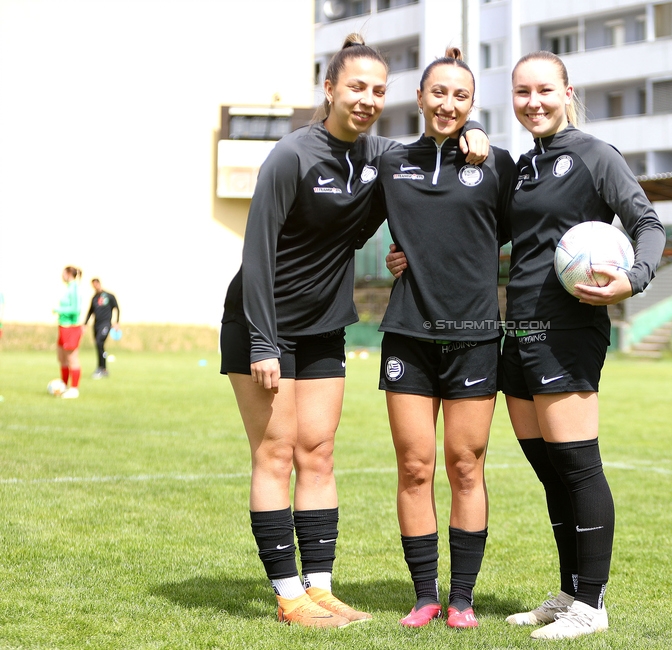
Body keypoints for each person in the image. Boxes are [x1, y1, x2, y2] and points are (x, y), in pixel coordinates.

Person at [386, 49, 666, 639]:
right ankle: (568, 593)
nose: (533, 102)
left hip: (569, 332)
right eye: (522, 93)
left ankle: (592, 604)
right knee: (549, 470)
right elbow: (474, 224)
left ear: (567, 93)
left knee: (578, 467)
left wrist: (632, 278)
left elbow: (647, 224)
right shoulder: (527, 166)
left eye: (544, 91)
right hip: (517, 334)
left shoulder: (595, 157)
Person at [218, 34, 488, 629]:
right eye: (356, 87)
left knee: (319, 452)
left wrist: (475, 136)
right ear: (330, 88)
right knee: (276, 454)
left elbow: (432, 148)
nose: (366, 99)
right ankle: (289, 596)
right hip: (262, 323)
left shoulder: (379, 156)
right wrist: (263, 342)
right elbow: (257, 254)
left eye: (377, 90)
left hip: (324, 324)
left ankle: (321, 587)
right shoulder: (291, 155)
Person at [364, 47, 516, 629]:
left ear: (472, 104)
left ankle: (463, 599)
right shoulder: (391, 162)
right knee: (414, 466)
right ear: (421, 97)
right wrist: (405, 258)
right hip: (409, 333)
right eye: (439, 93)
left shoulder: (494, 162)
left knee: (466, 466)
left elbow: (512, 234)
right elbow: (353, 224)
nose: (448, 104)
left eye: (462, 97)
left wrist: (476, 134)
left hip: (475, 334)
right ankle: (425, 594)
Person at [54, 266, 84, 399]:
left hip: (71, 328)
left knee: (72, 358)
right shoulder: (69, 288)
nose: (62, 276)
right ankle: (64, 385)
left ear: (68, 274)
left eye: (63, 273)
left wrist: (59, 310)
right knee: (62, 357)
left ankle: (74, 388)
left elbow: (76, 309)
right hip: (63, 327)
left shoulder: (74, 289)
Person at [85, 278, 120, 379]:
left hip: (106, 324)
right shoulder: (94, 298)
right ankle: (102, 368)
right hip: (96, 325)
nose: (95, 286)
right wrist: (85, 324)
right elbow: (90, 312)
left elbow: (117, 308)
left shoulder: (109, 296)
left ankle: (102, 369)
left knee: (99, 342)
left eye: (96, 284)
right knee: (99, 346)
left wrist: (117, 322)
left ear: (99, 284)